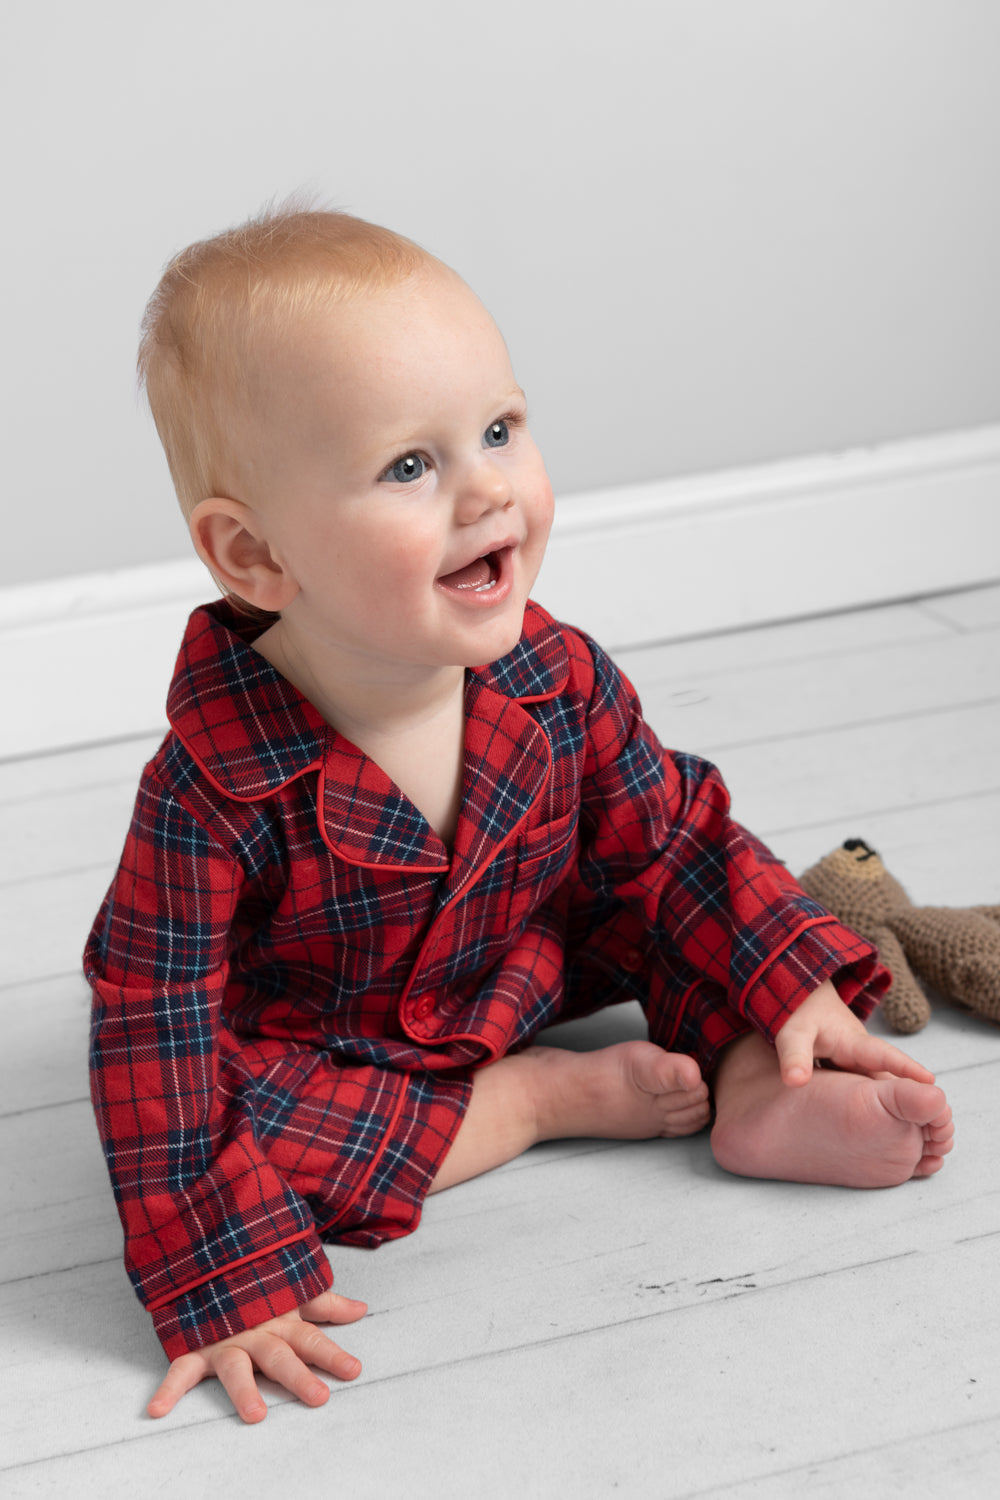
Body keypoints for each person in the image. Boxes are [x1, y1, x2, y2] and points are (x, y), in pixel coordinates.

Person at [85, 206, 954, 1426]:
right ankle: (529, 1104)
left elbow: (670, 840)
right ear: (254, 554)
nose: (487, 487)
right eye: (409, 465)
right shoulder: (209, 788)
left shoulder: (555, 677)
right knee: (235, 1134)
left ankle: (758, 1076)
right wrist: (222, 1277)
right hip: (338, 1040)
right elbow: (154, 1021)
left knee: (684, 900)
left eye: (497, 429)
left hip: (514, 960)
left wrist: (785, 984)